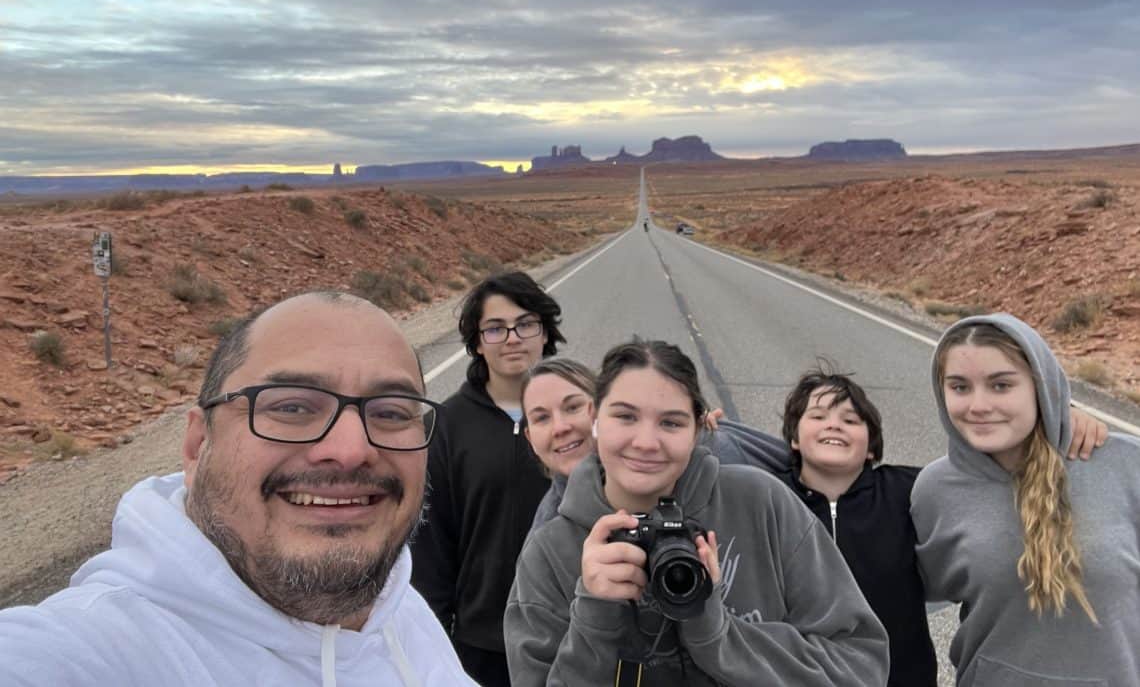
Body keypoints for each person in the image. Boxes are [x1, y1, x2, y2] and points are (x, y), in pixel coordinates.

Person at [0, 291, 477, 686]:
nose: (351, 450)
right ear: (197, 446)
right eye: (291, 407)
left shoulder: (395, 603)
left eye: (391, 412)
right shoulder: (82, 653)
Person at [506, 339, 889, 686]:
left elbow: (860, 665)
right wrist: (593, 614)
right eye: (625, 416)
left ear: (699, 428)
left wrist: (716, 632)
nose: (646, 442)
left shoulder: (761, 504)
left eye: (671, 422)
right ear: (594, 419)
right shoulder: (549, 553)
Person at [911, 313, 1140, 686]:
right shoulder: (935, 489)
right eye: (960, 387)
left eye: (1001, 385)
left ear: (1040, 386)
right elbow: (895, 591)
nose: (978, 405)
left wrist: (1062, 417)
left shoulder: (1125, 463)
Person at [410, 270, 564, 686]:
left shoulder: (581, 416)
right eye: (495, 328)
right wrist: (433, 646)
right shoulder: (444, 426)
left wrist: (704, 428)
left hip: (574, 634)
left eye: (525, 324)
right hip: (480, 646)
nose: (512, 338)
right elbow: (430, 547)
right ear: (477, 342)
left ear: (544, 333)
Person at [778, 367, 937, 687]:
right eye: (818, 416)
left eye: (850, 420)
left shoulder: (910, 491)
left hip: (900, 677)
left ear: (871, 448)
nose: (834, 424)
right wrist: (709, 434)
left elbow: (977, 474)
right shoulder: (770, 497)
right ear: (794, 439)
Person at [521, 356, 792, 529]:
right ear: (530, 438)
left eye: (573, 407)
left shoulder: (710, 452)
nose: (560, 427)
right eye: (541, 418)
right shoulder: (548, 531)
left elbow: (799, 472)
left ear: (598, 411)